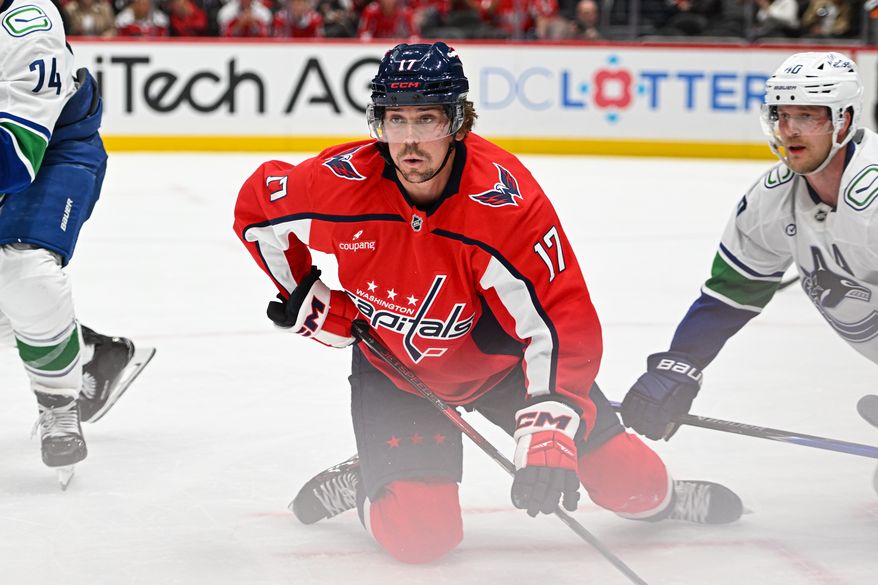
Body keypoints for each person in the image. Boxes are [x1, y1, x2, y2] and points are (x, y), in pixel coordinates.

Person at [234, 42, 743, 564]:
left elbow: (561, 316)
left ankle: (666, 501)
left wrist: (550, 420)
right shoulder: (340, 182)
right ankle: (371, 482)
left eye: (426, 119)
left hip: (504, 366)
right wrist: (307, 296)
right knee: (419, 537)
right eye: (395, 119)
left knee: (633, 484)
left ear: (458, 121)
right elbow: (256, 208)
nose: (408, 141)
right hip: (394, 370)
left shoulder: (504, 201)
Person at [621, 52, 876, 458]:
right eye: (781, 115)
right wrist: (679, 363)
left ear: (842, 120)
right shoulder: (772, 198)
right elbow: (730, 295)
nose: (788, 130)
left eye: (808, 116)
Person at [1, 0, 154, 483]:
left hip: (53, 154)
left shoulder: (28, 22)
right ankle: (90, 353)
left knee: (23, 270)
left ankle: (58, 403)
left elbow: (15, 159)